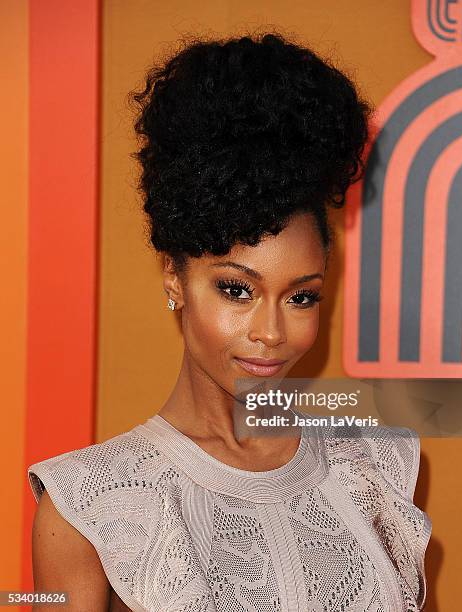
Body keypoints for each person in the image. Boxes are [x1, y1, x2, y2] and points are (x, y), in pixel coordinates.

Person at [28, 32, 431, 611]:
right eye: (237, 290)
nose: (270, 331)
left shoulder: (376, 467)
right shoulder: (89, 506)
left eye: (301, 297)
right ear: (175, 277)